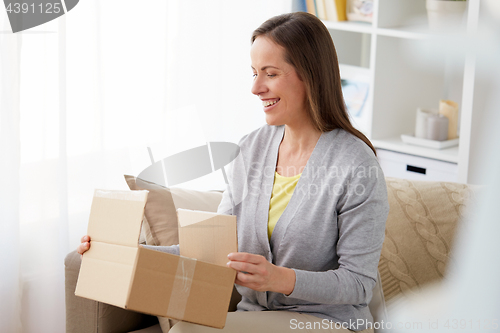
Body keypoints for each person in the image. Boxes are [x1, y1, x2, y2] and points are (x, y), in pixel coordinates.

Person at [78, 12, 389, 333]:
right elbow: (212, 246)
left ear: (310, 75)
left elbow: (358, 283)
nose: (256, 87)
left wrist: (279, 278)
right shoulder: (252, 148)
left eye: (270, 73)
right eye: (254, 73)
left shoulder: (356, 164)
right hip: (254, 315)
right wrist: (124, 251)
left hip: (328, 322)